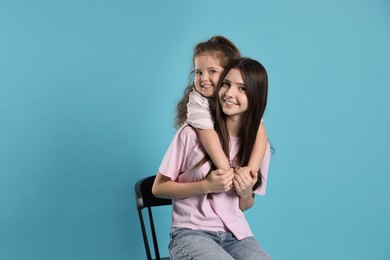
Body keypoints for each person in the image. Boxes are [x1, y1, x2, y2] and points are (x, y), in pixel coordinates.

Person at [153, 57, 272, 260]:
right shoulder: (191, 133)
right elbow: (158, 188)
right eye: (226, 84)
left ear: (256, 96)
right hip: (191, 233)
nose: (229, 93)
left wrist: (245, 193)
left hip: (237, 235)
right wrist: (206, 186)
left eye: (242, 88)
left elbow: (245, 205)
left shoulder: (258, 146)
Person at [175, 35, 268, 178]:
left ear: (228, 73)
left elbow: (259, 132)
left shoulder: (237, 100)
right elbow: (207, 135)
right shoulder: (197, 101)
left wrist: (251, 170)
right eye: (199, 72)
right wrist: (227, 172)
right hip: (202, 157)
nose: (204, 78)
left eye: (212, 71)